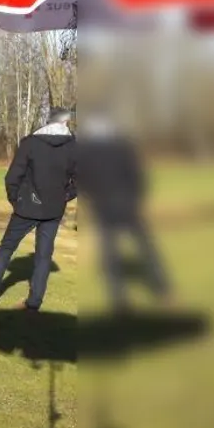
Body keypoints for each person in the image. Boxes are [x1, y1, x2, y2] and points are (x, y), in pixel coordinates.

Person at [0, 107, 78, 311]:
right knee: (44, 256)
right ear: (65, 122)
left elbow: (12, 177)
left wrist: (16, 200)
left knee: (6, 249)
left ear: (48, 121)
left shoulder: (31, 143)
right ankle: (33, 304)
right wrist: (66, 196)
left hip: (27, 207)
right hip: (54, 210)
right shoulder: (74, 146)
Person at [79, 117, 170, 310]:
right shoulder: (124, 146)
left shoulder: (86, 151)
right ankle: (162, 289)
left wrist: (93, 199)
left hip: (104, 206)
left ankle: (119, 299)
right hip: (127, 204)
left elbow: (83, 182)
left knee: (111, 253)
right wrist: (136, 198)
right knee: (145, 247)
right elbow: (138, 176)